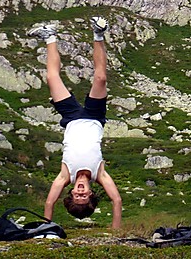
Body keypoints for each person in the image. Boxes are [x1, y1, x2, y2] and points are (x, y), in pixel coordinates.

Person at [28, 17, 122, 229]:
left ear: (71, 193)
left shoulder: (65, 175)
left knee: (52, 78)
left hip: (70, 118)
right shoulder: (101, 175)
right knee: (100, 79)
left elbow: (50, 201)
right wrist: (116, 232)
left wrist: (46, 229)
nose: (80, 192)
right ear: (91, 193)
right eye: (84, 196)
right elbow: (117, 201)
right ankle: (98, 34)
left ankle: (49, 36)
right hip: (94, 117)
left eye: (76, 196)